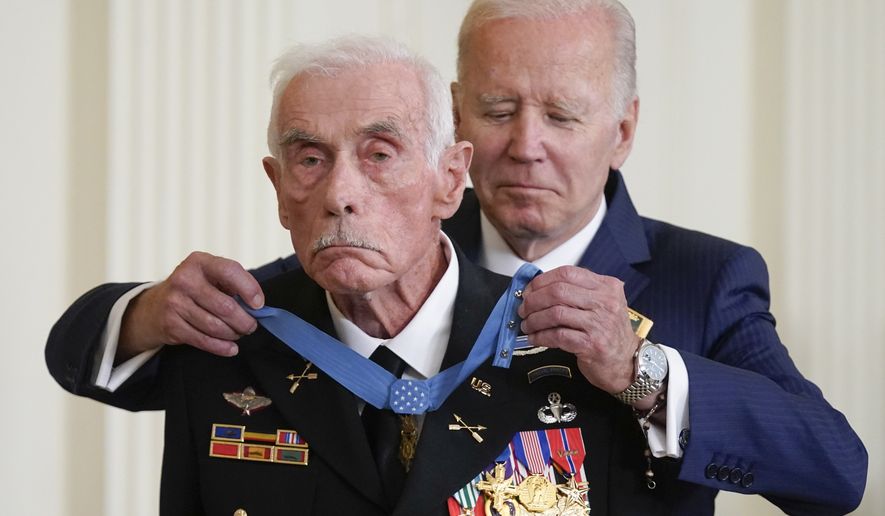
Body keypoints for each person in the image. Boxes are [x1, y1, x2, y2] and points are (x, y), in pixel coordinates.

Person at [47, 0, 867, 514]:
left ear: (621, 131)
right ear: (454, 139)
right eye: (497, 108)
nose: (524, 146)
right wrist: (145, 310)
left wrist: (642, 371)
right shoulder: (359, 244)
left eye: (563, 116)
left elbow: (833, 474)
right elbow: (123, 344)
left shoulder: (704, 281)